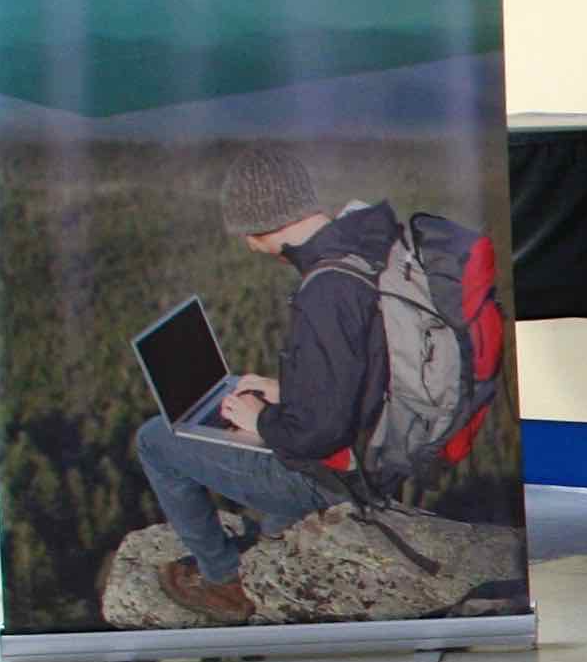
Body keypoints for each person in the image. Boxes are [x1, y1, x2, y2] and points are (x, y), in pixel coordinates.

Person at [133, 143, 396, 624]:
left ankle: (224, 581)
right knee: (255, 453)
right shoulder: (361, 249)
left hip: (334, 476)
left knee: (153, 439)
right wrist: (287, 390)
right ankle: (275, 547)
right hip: (372, 448)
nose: (246, 245)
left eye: (245, 235)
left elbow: (319, 433)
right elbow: (362, 370)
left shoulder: (326, 290)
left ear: (258, 230)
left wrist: (262, 422)